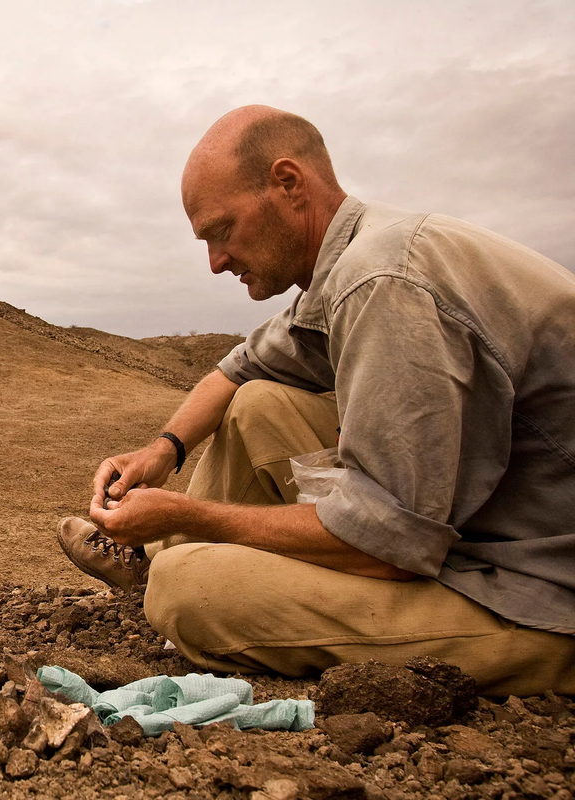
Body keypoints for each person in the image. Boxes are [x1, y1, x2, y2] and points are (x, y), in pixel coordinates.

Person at [58, 105, 575, 695]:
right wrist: (163, 450)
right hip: (491, 524)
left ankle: (168, 564)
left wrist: (190, 515)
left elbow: (389, 544)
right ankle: (155, 555)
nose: (216, 261)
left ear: (287, 183)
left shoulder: (380, 282)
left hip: (543, 587)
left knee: (188, 591)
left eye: (222, 231)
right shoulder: (361, 253)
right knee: (256, 404)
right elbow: (238, 371)